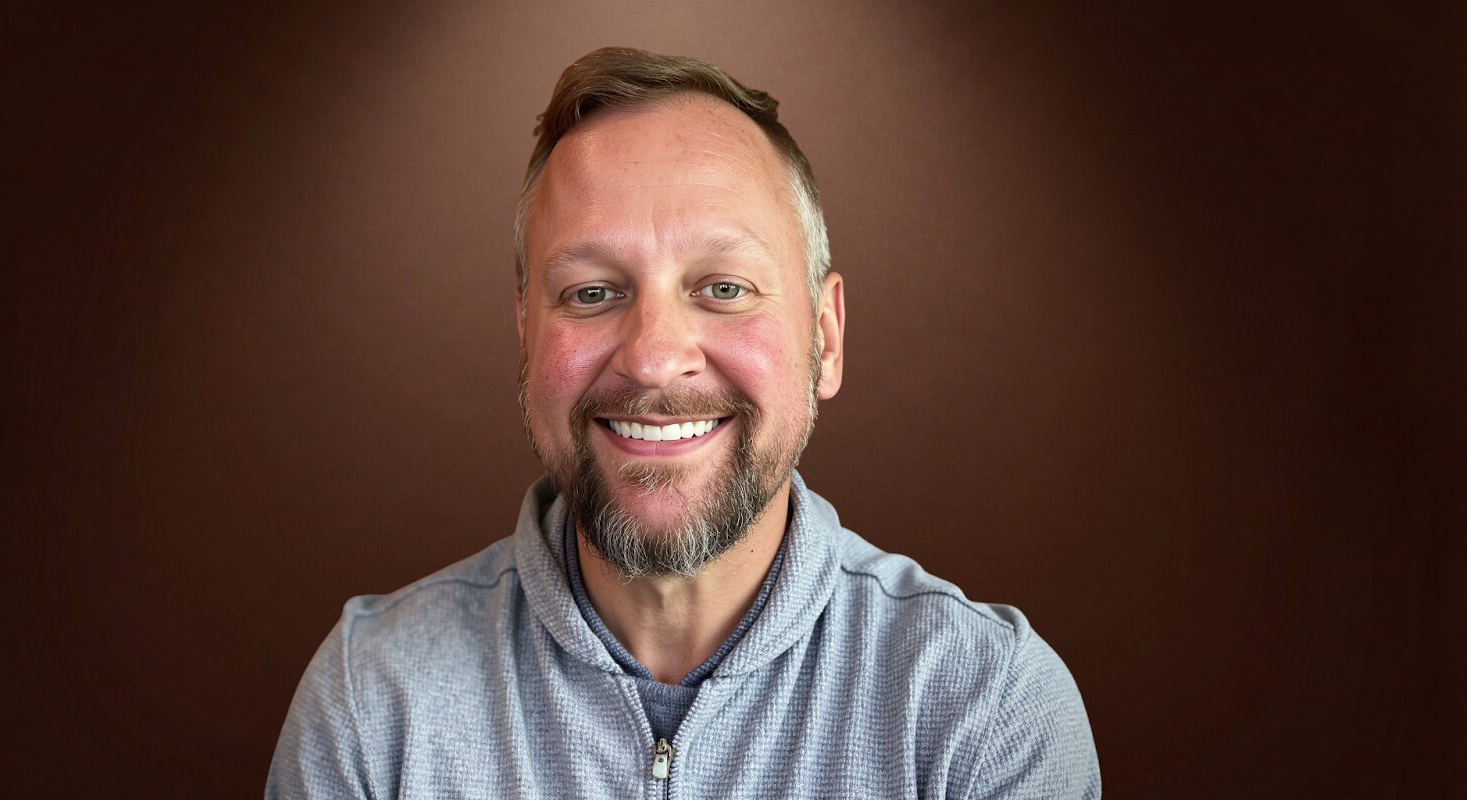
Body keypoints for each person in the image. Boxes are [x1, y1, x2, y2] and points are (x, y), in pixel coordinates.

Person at [266, 47, 1099, 799]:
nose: (655, 358)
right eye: (592, 292)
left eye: (724, 287)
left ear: (826, 336)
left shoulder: (984, 709)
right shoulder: (373, 702)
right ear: (526, 333)